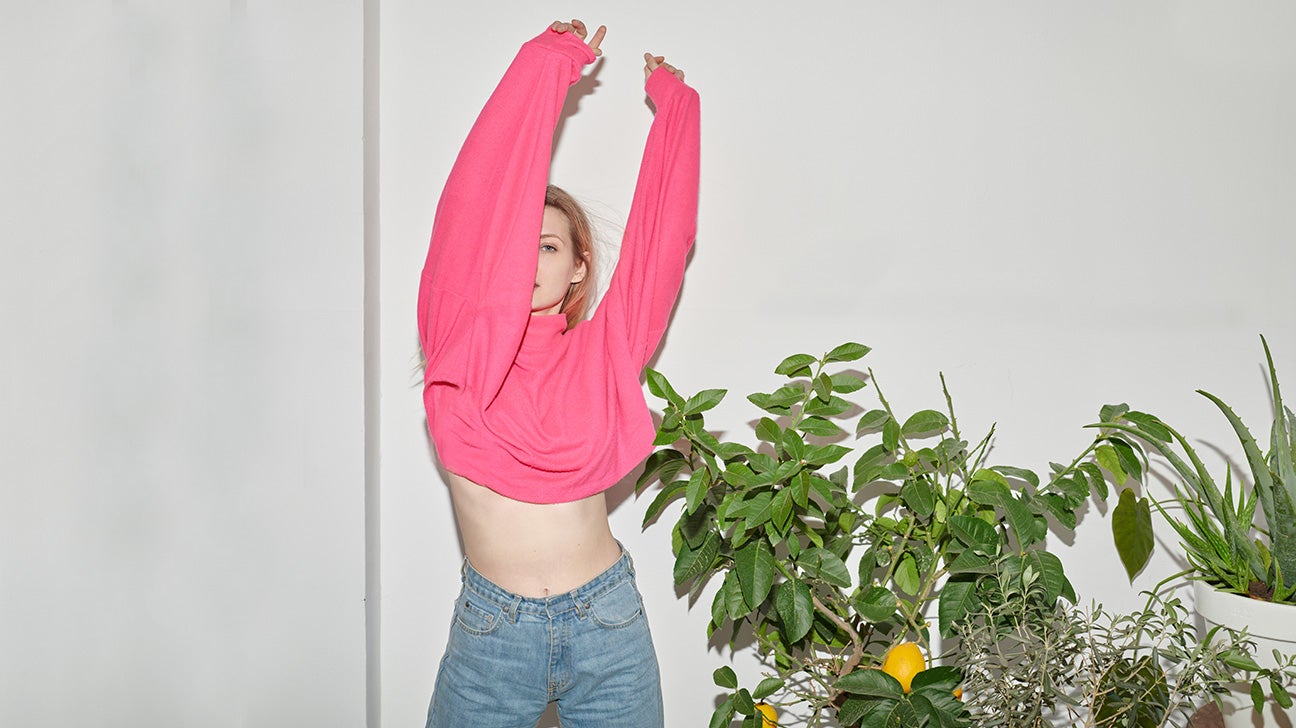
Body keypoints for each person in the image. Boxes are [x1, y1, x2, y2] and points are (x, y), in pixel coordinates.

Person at [417, 18, 700, 728]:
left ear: (576, 265)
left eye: (546, 246)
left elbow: (661, 244)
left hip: (608, 622)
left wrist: (675, 107)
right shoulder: (462, 348)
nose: (527, 258)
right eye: (515, 245)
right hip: (493, 634)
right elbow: (476, 197)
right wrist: (547, 64)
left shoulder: (605, 350)